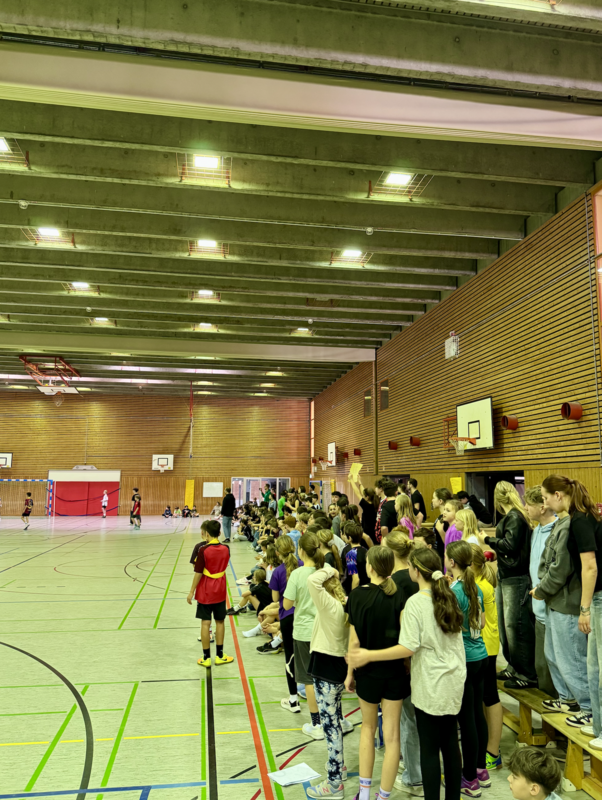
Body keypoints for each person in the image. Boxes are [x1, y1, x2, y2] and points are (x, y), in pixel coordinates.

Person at [348, 546, 465, 800]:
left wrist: (368, 655)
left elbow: (407, 647)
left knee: (430, 750)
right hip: (454, 679)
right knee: (451, 746)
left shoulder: (415, 602)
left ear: (415, 571)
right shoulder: (449, 596)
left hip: (430, 683)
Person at [345, 546, 409, 800]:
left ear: (370, 567)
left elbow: (353, 643)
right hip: (394, 672)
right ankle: (383, 796)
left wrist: (350, 672)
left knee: (367, 729)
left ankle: (363, 793)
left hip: (367, 673)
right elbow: (405, 639)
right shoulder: (400, 595)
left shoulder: (356, 596)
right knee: (392, 736)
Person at [539, 475, 598, 736]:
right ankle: (591, 714)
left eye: (545, 498)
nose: (544, 503)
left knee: (580, 661)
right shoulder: (579, 517)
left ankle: (589, 711)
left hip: (588, 600)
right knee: (589, 664)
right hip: (588, 599)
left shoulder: (580, 521)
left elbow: (589, 566)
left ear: (558, 496)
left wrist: (584, 608)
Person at [480, 481, 537, 690]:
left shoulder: (514, 516)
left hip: (516, 578)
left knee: (516, 627)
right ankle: (514, 666)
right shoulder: (512, 516)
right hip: (508, 575)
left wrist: (487, 539)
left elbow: (510, 546)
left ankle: (526, 674)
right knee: (507, 627)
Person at [445, 540, 490, 797]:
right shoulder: (475, 588)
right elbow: (481, 624)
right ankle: (481, 770)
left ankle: (470, 779)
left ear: (452, 562)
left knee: (467, 721)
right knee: (477, 715)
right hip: (481, 655)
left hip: (465, 660)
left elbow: (450, 626)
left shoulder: (456, 591)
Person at [306, 564, 351, 799]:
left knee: (330, 726)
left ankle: (334, 783)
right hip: (337, 667)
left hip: (326, 668)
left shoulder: (329, 605)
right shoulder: (344, 604)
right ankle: (340, 768)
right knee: (335, 720)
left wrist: (330, 570)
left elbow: (312, 581)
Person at [470, 545, 503, 771]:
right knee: (482, 697)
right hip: (482, 645)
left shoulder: (480, 586)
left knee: (490, 696)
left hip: (487, 647)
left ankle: (493, 750)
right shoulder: (477, 583)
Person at [523, 487, 558, 698]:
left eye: (529, 504)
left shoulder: (557, 531)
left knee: (555, 666)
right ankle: (550, 722)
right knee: (542, 666)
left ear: (542, 506)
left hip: (553, 611)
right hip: (538, 611)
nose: (525, 508)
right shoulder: (535, 530)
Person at [187, 519, 233, 667]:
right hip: (220, 589)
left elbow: (198, 572)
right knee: (220, 622)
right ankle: (220, 655)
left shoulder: (202, 550)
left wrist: (191, 591)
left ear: (206, 533)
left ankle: (206, 658)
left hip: (206, 591)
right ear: (219, 533)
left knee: (205, 623)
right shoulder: (226, 549)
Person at [349, 475, 379, 544]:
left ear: (367, 497)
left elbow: (357, 493)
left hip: (368, 533)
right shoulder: (376, 503)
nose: (362, 497)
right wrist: (360, 482)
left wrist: (351, 480)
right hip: (375, 532)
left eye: (364, 496)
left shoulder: (367, 506)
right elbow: (363, 492)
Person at [341, 521, 369, 594]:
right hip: (367, 588)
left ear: (349, 538)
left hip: (358, 590)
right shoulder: (366, 551)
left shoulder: (350, 555)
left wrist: (353, 597)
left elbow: (356, 579)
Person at [431, 488, 452, 562]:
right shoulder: (440, 517)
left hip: (444, 557)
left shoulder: (446, 519)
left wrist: (440, 531)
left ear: (440, 501)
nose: (432, 500)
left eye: (434, 498)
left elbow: (450, 544)